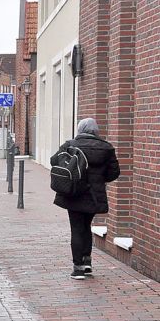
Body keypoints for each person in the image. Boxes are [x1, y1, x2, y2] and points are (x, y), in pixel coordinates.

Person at [50, 118, 120, 280]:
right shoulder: (107, 148)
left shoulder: (70, 145)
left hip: (73, 193)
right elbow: (113, 173)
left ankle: (78, 269)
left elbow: (54, 161)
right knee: (86, 227)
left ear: (80, 129)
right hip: (94, 196)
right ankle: (87, 262)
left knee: (76, 229)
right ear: (96, 131)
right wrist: (99, 179)